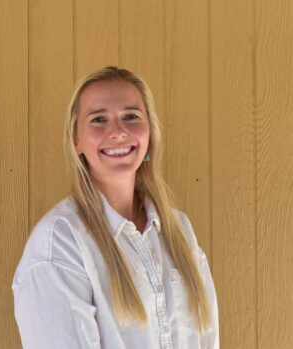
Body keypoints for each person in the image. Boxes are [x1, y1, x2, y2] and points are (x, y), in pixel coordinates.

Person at [11, 66, 219, 348]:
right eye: (99, 120)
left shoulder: (179, 231)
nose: (119, 131)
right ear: (76, 141)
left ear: (150, 133)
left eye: (131, 117)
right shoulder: (60, 242)